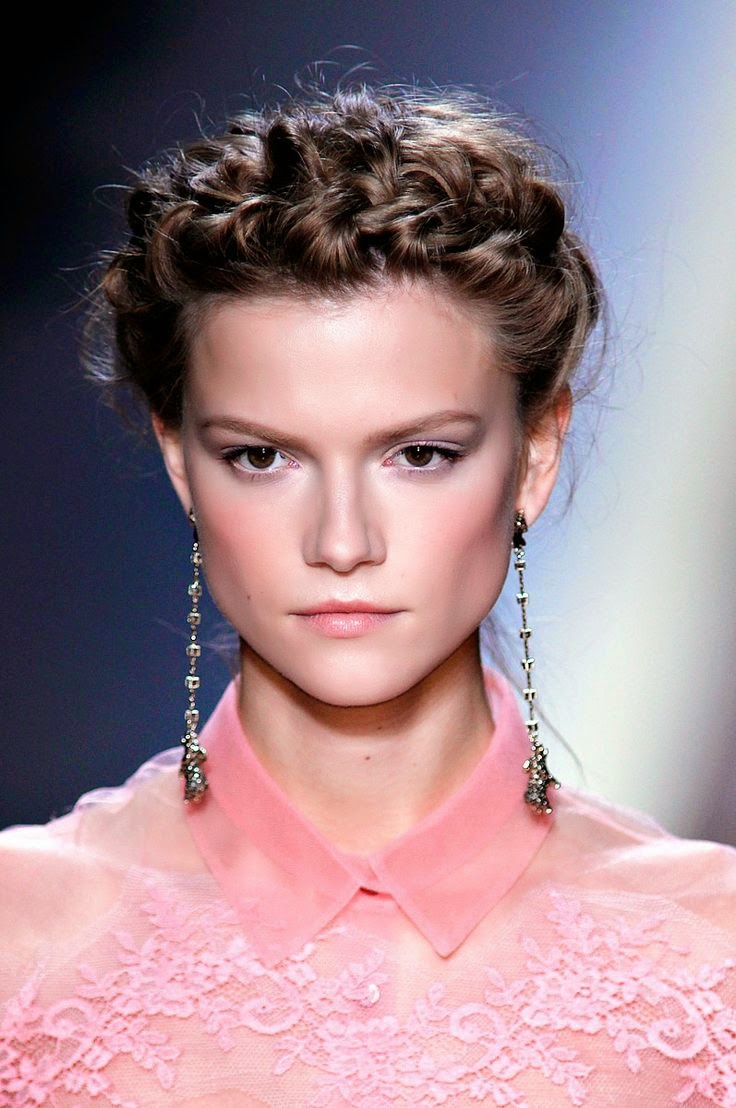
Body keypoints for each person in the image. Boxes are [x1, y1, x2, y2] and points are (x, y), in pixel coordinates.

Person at [1, 86, 734, 1108]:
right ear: (181, 463)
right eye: (261, 456)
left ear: (534, 454)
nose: (342, 542)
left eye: (420, 454)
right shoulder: (19, 940)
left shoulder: (711, 961)